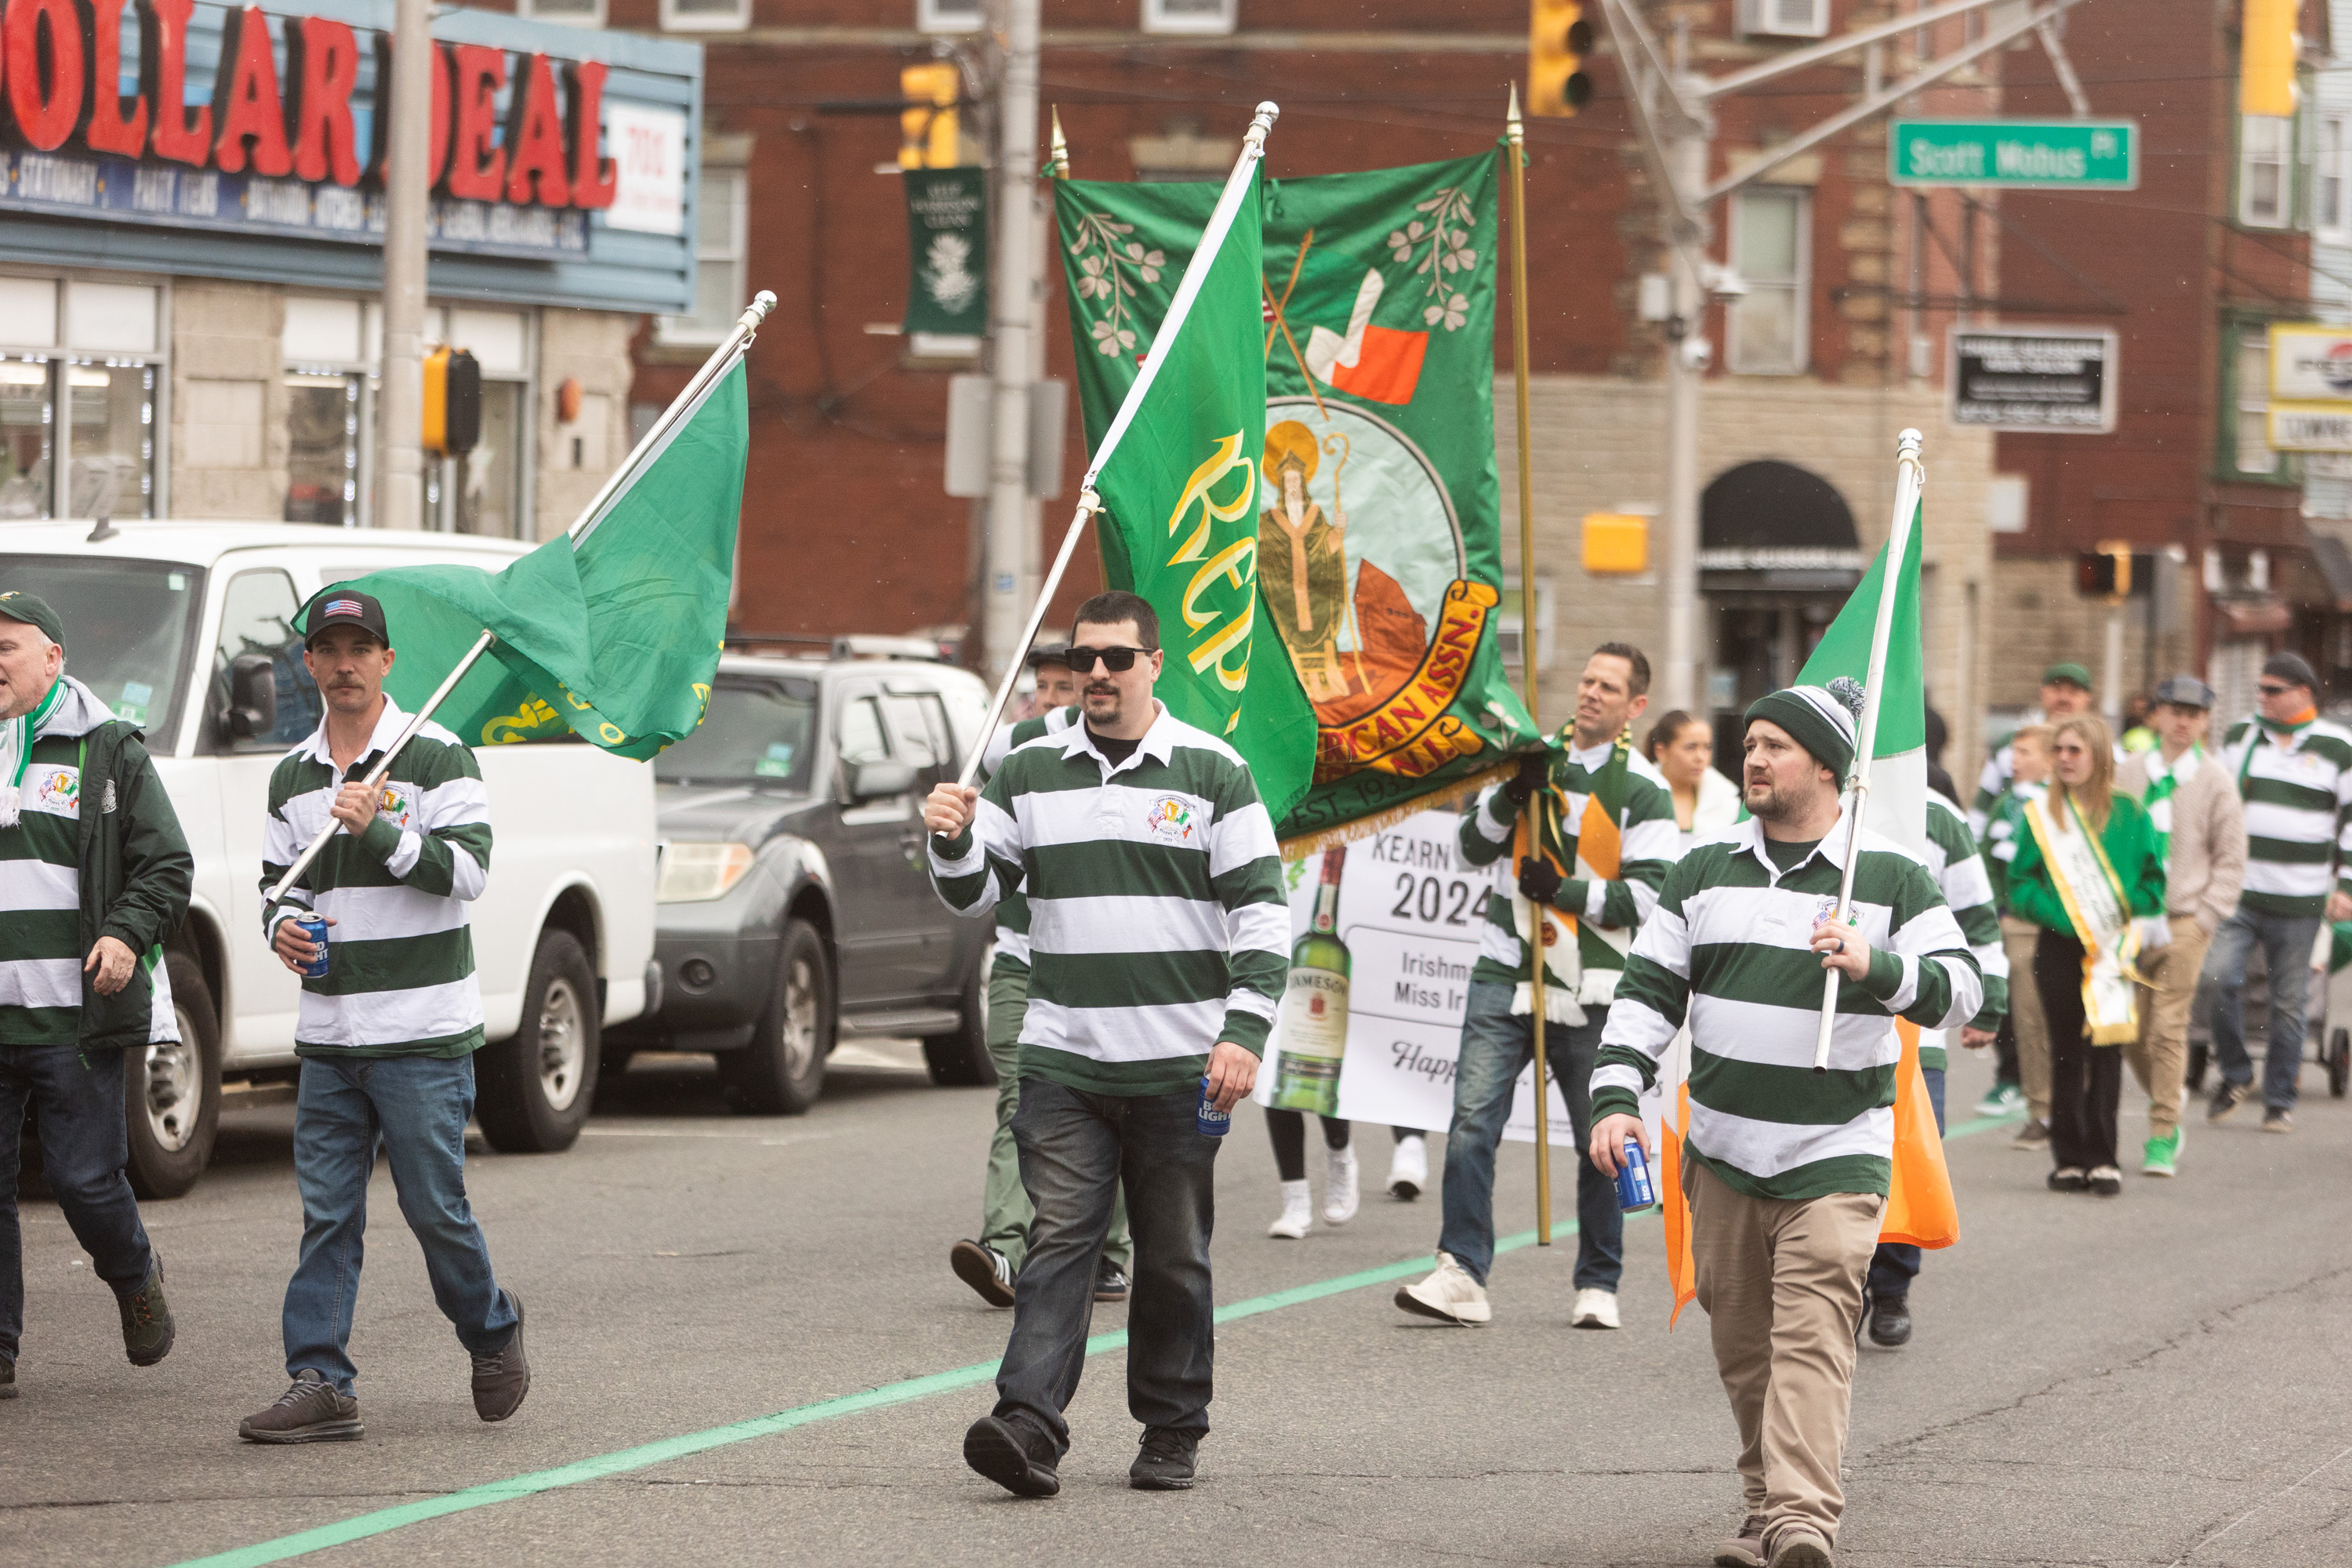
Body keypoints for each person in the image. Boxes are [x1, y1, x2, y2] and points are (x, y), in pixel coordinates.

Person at [1589, 683, 1983, 1568]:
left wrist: (1875, 961)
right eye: (1751, 743)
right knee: (1745, 1350)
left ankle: (1803, 1519)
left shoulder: (1884, 873)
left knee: (1811, 1332)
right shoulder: (1703, 867)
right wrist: (1615, 1094)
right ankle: (1766, 1503)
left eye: (1776, 746)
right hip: (1723, 1152)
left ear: (1829, 767)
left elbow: (1964, 987)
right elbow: (1648, 992)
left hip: (1835, 1150)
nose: (1754, 758)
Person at [924, 590, 1286, 1496]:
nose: (1095, 673)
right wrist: (954, 839)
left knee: (1172, 1254)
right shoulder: (1031, 767)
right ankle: (1027, 1423)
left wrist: (1243, 1031)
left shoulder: (1214, 771)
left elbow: (1262, 914)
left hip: (1179, 1071)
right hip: (1064, 1061)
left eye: (1116, 658)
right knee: (1061, 1245)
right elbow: (975, 895)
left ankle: (1171, 1428)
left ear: (1154, 663)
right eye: (1083, 657)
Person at [240, 590, 528, 1443]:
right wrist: (278, 927)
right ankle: (321, 1377)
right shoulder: (292, 773)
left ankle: (492, 1327)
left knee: (434, 1207)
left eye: (359, 646)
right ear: (309, 664)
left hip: (424, 1032)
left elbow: (470, 874)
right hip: (330, 1035)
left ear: (388, 660)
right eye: (327, 648)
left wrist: (383, 834)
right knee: (329, 1213)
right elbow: (273, 886)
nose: (343, 663)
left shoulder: (438, 755)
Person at [1396, 644, 1678, 1332]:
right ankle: (1461, 1272)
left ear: (1635, 707)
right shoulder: (1527, 758)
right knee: (1470, 1127)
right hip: (1506, 966)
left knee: (1600, 1140)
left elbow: (1654, 892)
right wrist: (1511, 794)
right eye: (1587, 680)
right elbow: (1469, 846)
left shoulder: (1643, 786)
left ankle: (1598, 1281)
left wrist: (1567, 891)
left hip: (1593, 982)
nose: (1591, 694)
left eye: (1608, 688)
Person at [0, 591, 190, 1401]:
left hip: (72, 1015)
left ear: (53, 659)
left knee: (85, 1180)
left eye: (6, 647)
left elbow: (167, 866)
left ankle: (134, 1271)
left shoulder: (109, 750)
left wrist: (121, 931)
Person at [950, 644, 1134, 1309]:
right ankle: (1003, 1245)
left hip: (1098, 966)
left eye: (1073, 684)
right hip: (1023, 961)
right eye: (1049, 686)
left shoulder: (1115, 763)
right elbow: (985, 748)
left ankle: (1109, 1251)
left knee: (1109, 1103)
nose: (1061, 696)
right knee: (1020, 1102)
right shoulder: (1020, 760)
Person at [1861, 786, 2007, 1349]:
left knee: (1912, 1156)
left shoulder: (1939, 817)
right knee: (1832, 1162)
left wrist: (1988, 1002)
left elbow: (1977, 922)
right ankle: (1840, 1288)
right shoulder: (1814, 796)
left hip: (1917, 1033)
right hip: (1824, 1029)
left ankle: (1893, 1285)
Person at [2005, 715, 2166, 1198]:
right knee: (2065, 1052)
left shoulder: (2131, 813)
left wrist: (2122, 907)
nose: (2066, 759)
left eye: (2076, 750)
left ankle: (2104, 1157)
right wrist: (2057, 913)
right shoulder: (2041, 815)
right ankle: (2069, 1157)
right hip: (2058, 944)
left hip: (2111, 946)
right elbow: (2019, 884)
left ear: (2098, 755)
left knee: (2108, 1049)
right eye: (2060, 751)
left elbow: (2153, 884)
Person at [2209, 652, 2352, 1133]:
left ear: (2304, 693)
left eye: (2273, 690)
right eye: (2260, 690)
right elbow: (2220, 803)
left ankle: (2279, 1099)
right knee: (2216, 979)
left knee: (2289, 1004)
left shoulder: (2338, 746)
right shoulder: (2242, 738)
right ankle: (2234, 1074)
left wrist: (2347, 886)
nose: (2262, 698)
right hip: (2240, 894)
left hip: (2301, 901)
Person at [2116, 677, 2245, 1177]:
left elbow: (2232, 857)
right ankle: (2170, 1097)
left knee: (2168, 1029)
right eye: (2174, 710)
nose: (2183, 721)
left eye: (2194, 713)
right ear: (2157, 716)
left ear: (2207, 720)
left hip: (2186, 919)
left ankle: (2162, 1132)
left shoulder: (2215, 780)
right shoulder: (2129, 772)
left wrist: (2208, 915)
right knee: (2131, 1033)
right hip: (2132, 921)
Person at [1981, 724, 2055, 1138]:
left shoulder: (2059, 804)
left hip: (2053, 923)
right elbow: (1987, 861)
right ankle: (2037, 1104)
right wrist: (1998, 910)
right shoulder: (2007, 803)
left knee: (2052, 1018)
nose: (2015, 759)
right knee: (2024, 1016)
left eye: (2025, 752)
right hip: (2015, 923)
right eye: (2013, 751)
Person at [1969, 662, 2096, 835]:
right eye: (2057, 690)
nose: (2064, 698)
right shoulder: (2010, 745)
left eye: (2073, 692)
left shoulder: (2100, 750)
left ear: (2087, 698)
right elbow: (1982, 808)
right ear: (2043, 692)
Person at [1645, 709, 1740, 852]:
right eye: (1691, 748)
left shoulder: (1724, 800)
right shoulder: (1638, 794)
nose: (1701, 757)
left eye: (1707, 748)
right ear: (1661, 751)